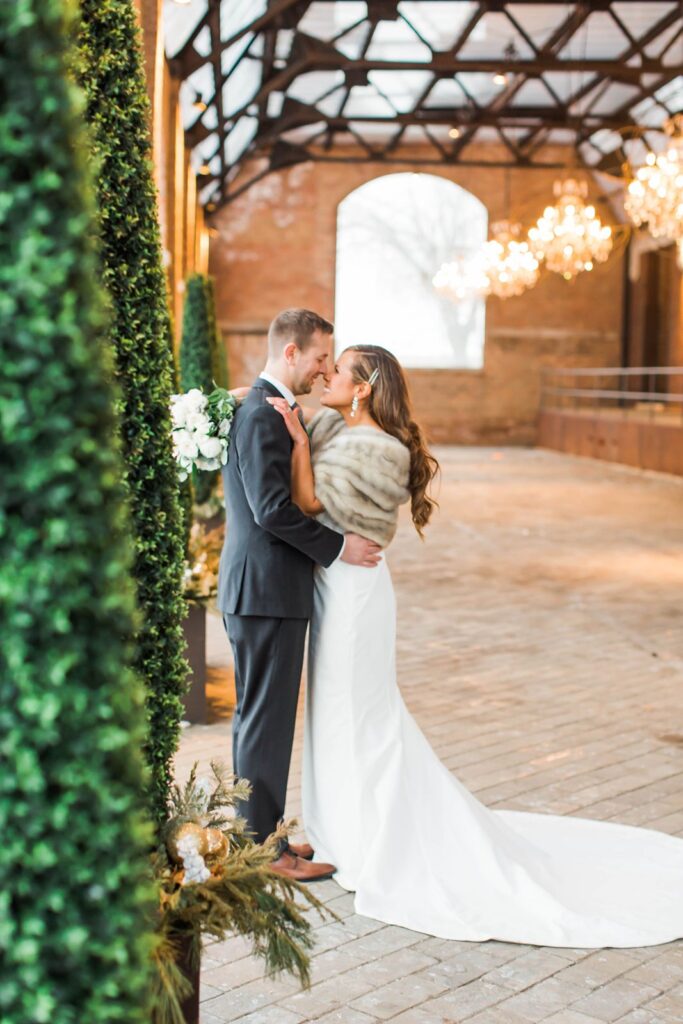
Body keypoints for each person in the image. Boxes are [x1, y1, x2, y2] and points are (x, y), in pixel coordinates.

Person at [267, 341, 683, 947]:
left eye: (339, 369)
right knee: (330, 715)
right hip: (336, 585)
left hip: (357, 593)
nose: (325, 374)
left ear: (363, 388)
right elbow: (284, 403)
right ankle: (336, 832)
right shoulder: (339, 423)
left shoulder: (377, 448)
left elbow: (307, 503)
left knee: (360, 717)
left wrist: (299, 444)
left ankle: (370, 839)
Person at [216, 309, 382, 884]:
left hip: (259, 590)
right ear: (291, 353)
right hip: (266, 591)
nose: (321, 370)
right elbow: (272, 511)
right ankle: (265, 850)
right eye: (317, 359)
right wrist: (338, 548)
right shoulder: (262, 413)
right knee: (265, 721)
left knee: (257, 718)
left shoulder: (263, 406)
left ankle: (256, 832)